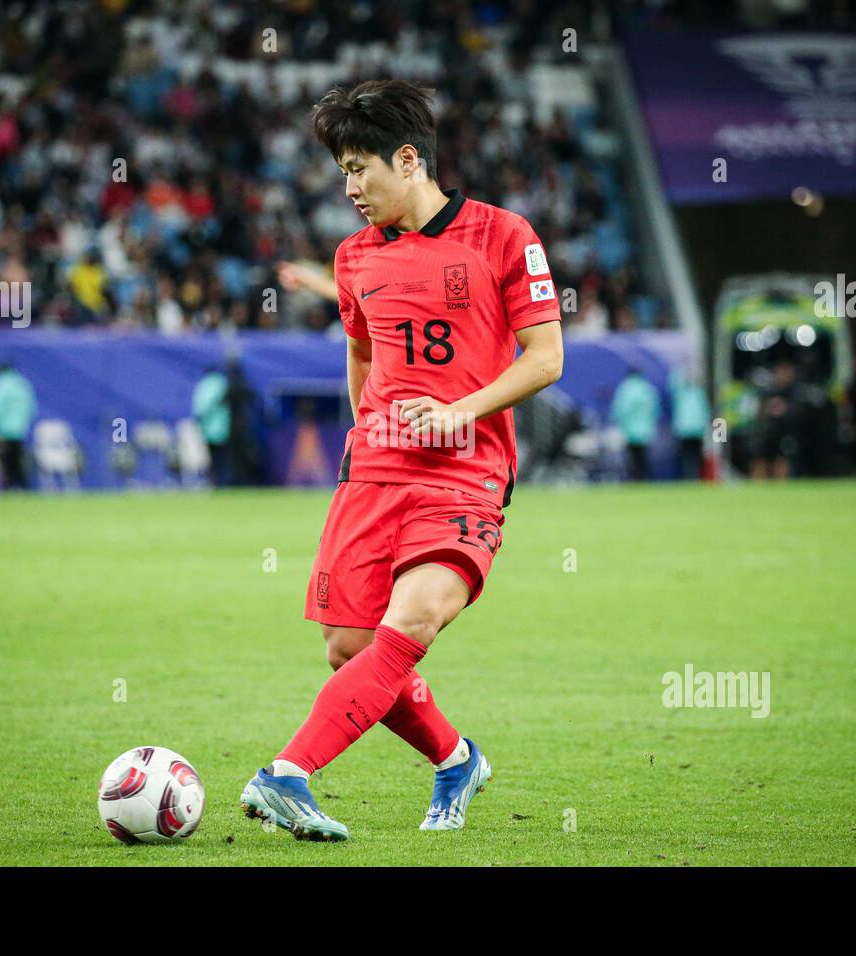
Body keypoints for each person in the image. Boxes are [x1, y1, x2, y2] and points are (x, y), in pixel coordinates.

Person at [239, 80, 564, 841]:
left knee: (413, 618)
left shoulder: (504, 236)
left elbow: (545, 358)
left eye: (360, 168)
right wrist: (368, 434)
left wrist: (457, 412)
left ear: (409, 159)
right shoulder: (354, 258)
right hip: (375, 472)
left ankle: (288, 773)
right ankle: (456, 759)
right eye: (343, 171)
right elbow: (362, 351)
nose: (350, 188)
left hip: (465, 470)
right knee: (349, 648)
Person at [0, 362, 37, 489]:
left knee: (5, 460)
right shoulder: (22, 384)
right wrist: (24, 423)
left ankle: (8, 486)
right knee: (17, 459)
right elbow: (31, 407)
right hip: (19, 430)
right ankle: (22, 486)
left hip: (2, 430)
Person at [610, 370, 660, 481]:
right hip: (645, 429)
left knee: (632, 457)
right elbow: (655, 409)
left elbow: (620, 410)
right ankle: (645, 478)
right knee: (643, 456)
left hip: (630, 431)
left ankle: (634, 478)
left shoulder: (625, 389)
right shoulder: (647, 389)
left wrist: (620, 424)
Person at [190, 364, 231, 486]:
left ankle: (213, 482)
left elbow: (200, 408)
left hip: (208, 429)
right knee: (222, 458)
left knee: (211, 459)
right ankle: (221, 482)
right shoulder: (223, 383)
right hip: (224, 428)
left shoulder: (205, 385)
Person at [670, 368, 711, 480]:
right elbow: (674, 382)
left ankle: (694, 478)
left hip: (694, 430)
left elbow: (705, 411)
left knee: (695, 456)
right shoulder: (682, 393)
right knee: (687, 456)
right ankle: (688, 478)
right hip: (686, 430)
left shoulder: (698, 392)